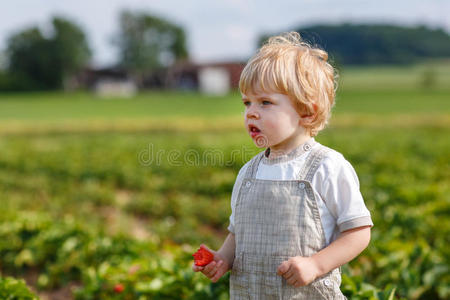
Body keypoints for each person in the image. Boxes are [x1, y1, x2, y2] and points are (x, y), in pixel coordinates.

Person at [192, 31, 373, 299]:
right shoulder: (248, 173)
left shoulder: (327, 166)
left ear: (306, 112)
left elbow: (358, 232)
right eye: (247, 102)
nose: (251, 112)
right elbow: (237, 233)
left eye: (265, 102)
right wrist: (223, 259)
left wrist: (315, 265)